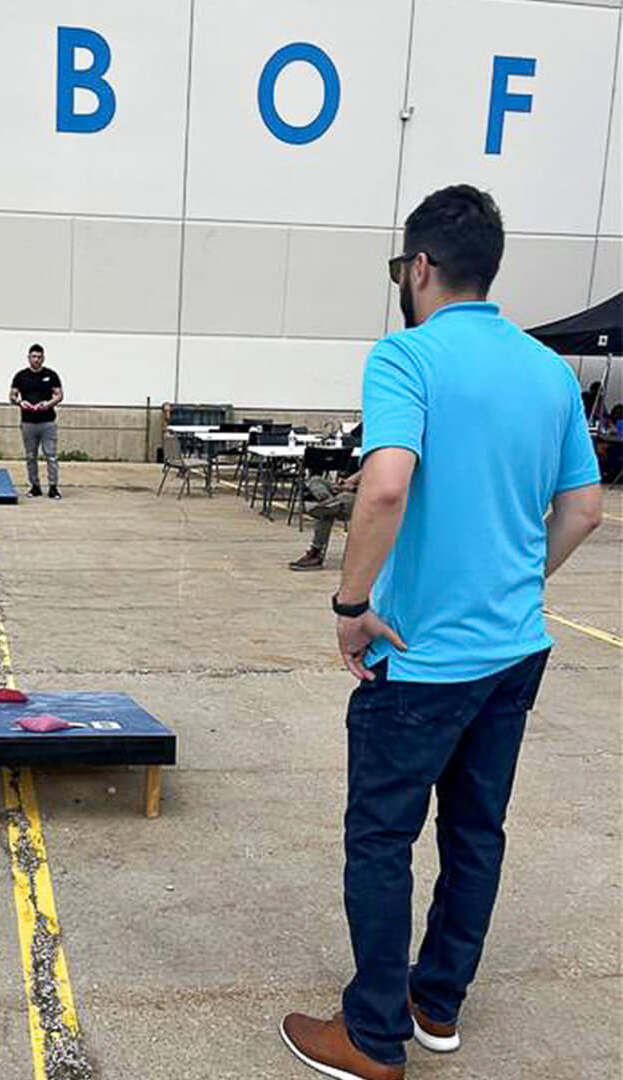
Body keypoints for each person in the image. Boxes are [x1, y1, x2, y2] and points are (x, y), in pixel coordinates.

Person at [280, 186, 602, 1080]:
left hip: (423, 660)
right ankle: (437, 1002)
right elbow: (583, 510)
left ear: (419, 267)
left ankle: (373, 1035)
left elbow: (384, 486)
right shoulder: (547, 371)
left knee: (382, 837)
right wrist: (513, 582)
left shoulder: (406, 358)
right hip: (513, 650)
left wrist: (350, 609)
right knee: (474, 831)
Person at [10, 343, 63, 499]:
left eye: (39, 357)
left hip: (47, 422)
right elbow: (12, 395)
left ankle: (53, 487)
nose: (36, 360)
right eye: (34, 357)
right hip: (28, 422)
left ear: (43, 358)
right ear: (29, 358)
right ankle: (35, 486)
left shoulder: (51, 375)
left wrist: (47, 404)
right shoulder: (21, 376)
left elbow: (59, 395)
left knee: (51, 455)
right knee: (31, 456)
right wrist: (20, 402)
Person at [288, 469, 361, 570]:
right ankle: (328, 501)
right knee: (315, 480)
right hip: (347, 491)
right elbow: (363, 471)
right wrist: (346, 483)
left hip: (363, 496)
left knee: (327, 511)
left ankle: (316, 553)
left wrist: (353, 488)